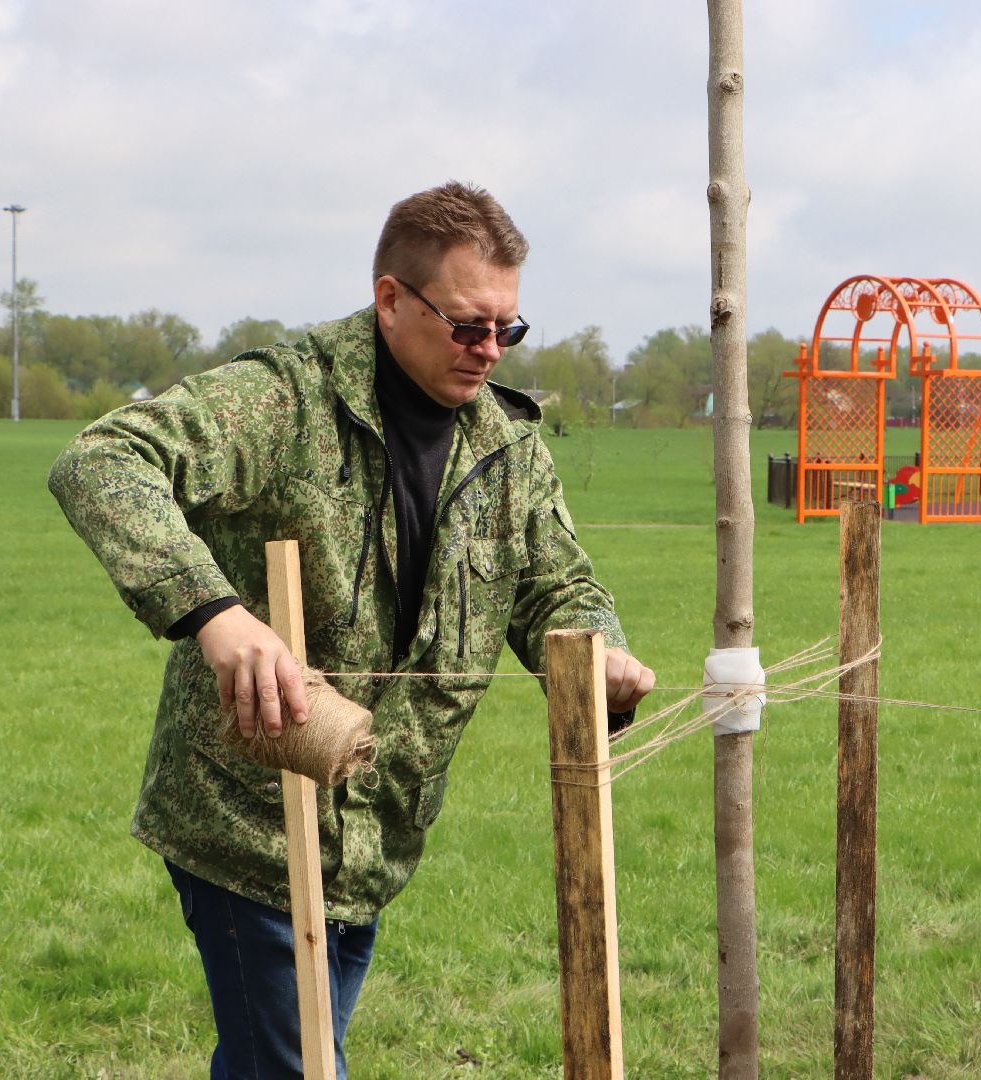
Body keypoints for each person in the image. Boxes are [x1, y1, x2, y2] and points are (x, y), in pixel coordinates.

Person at [49, 181, 655, 1079]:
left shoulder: (506, 444)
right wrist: (216, 616)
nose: (490, 351)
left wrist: (599, 651)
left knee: (289, 1061)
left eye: (509, 330)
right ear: (389, 300)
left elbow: (554, 582)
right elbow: (102, 460)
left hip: (376, 832)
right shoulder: (286, 402)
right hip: (248, 817)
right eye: (466, 326)